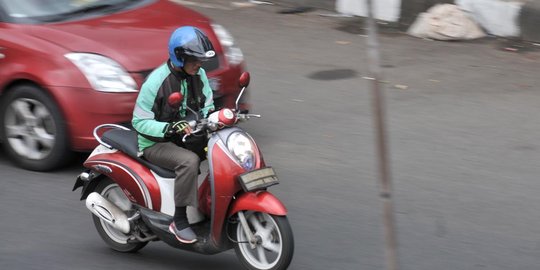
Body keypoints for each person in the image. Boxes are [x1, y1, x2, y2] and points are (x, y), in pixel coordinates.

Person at [131, 26, 216, 244]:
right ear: (180, 58)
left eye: (200, 61)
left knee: (223, 150)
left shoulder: (199, 74)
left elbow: (207, 105)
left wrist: (218, 118)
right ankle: (179, 221)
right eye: (194, 60)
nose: (199, 65)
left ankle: (211, 204)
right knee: (189, 161)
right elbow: (138, 122)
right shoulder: (156, 82)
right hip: (155, 143)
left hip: (187, 135)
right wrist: (168, 128)